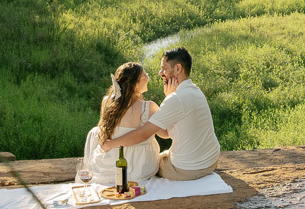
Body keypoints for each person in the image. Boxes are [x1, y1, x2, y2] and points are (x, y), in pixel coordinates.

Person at [101, 47, 221, 181]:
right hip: (211, 160)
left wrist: (110, 144)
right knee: (162, 154)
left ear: (177, 69)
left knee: (153, 164)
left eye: (164, 68)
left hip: (187, 169)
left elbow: (143, 134)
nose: (160, 73)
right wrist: (170, 97)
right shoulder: (194, 90)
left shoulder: (175, 99)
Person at [82, 62, 165, 184]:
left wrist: (110, 144)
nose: (148, 77)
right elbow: (164, 133)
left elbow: (104, 130)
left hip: (110, 162)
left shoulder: (107, 102)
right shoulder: (149, 107)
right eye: (144, 75)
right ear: (134, 85)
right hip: (140, 166)